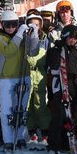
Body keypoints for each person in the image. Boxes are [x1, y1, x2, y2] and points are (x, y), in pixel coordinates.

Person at [0, 10, 39, 152]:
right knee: (7, 110)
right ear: (2, 25)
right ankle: (8, 139)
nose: (11, 28)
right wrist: (20, 33)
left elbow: (33, 52)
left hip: (23, 76)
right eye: (8, 25)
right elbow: (9, 51)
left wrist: (34, 34)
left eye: (14, 25)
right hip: (7, 78)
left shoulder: (22, 37)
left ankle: (20, 137)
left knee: (21, 110)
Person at [46, 25, 77, 154]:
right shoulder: (55, 50)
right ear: (64, 36)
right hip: (59, 84)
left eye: (75, 39)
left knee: (73, 114)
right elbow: (51, 68)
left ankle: (68, 142)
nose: (72, 41)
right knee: (59, 115)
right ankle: (54, 144)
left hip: (73, 84)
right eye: (70, 38)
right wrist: (51, 92)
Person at [24, 11, 51, 145]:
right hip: (28, 73)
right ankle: (31, 129)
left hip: (40, 73)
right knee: (28, 102)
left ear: (40, 25)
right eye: (31, 24)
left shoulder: (45, 39)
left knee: (40, 101)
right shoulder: (25, 39)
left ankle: (45, 129)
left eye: (36, 24)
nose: (34, 27)